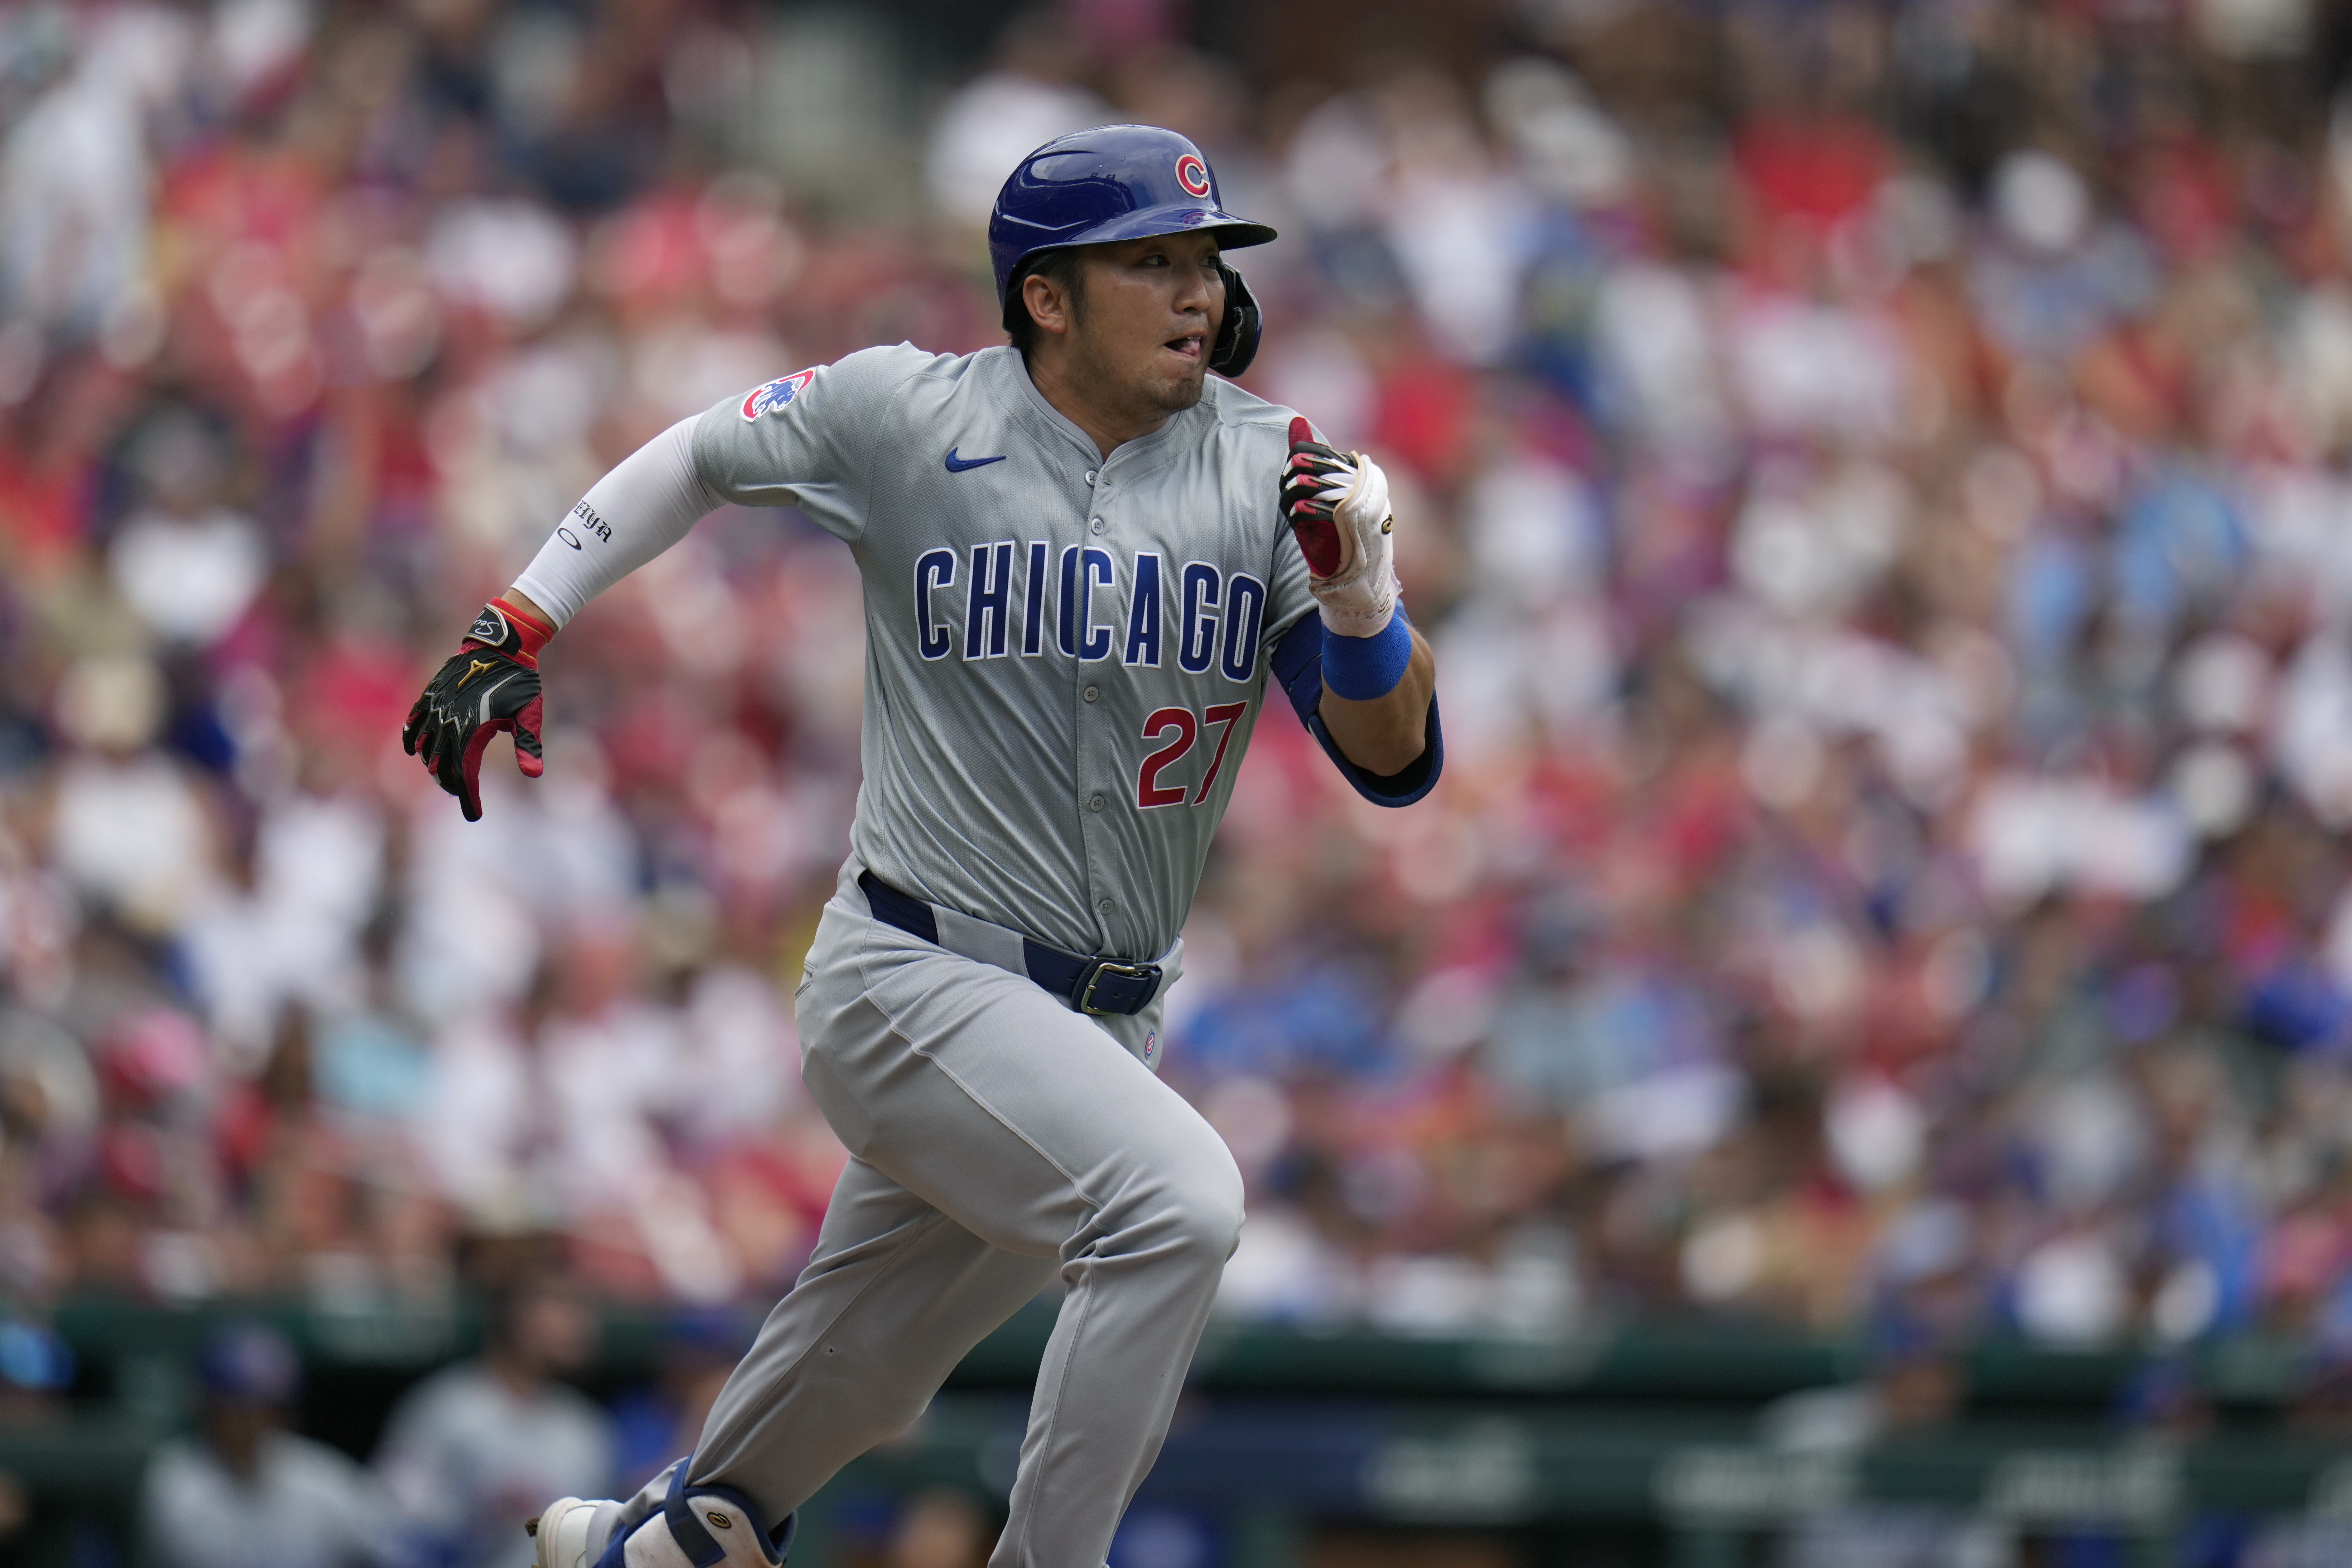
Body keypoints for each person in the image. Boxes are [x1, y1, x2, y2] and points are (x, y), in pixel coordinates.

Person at [402, 124, 1441, 1568]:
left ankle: (660, 1540)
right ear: (1046, 298)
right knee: (1178, 1208)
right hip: (911, 971)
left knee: (863, 1364)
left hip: (1098, 1025)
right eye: (1150, 261)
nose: (1195, 291)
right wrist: (519, 616)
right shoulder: (905, 412)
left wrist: (1362, 599)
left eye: (1204, 260)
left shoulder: (1272, 470)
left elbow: (1391, 763)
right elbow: (693, 458)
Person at [373, 1275, 615, 1568]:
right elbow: (392, 1526)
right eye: (561, 1304)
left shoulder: (586, 1428)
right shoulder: (443, 1408)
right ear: (515, 1315)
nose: (579, 1322)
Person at [138, 1321, 395, 1568]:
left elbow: (392, 1544)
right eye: (239, 1409)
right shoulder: (177, 1483)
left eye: (266, 1409)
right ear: (209, 1410)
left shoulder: (320, 1477)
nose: (253, 1424)